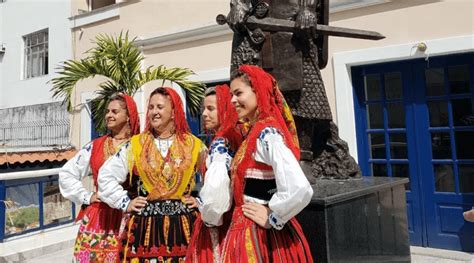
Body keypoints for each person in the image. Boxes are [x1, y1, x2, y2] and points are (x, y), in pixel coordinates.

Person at [98, 87, 206, 262]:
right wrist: (125, 202)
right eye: (151, 107)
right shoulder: (135, 145)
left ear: (173, 112)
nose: (154, 112)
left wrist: (201, 202)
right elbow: (106, 175)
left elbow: (215, 180)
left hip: (184, 227)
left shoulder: (194, 145)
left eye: (160, 107)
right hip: (144, 227)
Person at [220, 65, 313, 262]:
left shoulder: (267, 134)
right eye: (231, 95)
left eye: (238, 93)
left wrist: (273, 216)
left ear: (258, 91)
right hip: (246, 228)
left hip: (259, 236)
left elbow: (300, 188)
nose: (233, 101)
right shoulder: (254, 132)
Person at [59, 93, 140, 263]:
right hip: (98, 217)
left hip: (128, 215)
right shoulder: (95, 146)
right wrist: (86, 196)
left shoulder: (139, 146)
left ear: (128, 116)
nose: (109, 115)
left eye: (115, 112)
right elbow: (67, 174)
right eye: (107, 111)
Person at [186, 85, 241, 262]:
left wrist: (207, 214)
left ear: (225, 110)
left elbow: (216, 190)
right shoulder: (235, 137)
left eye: (210, 109)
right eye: (204, 109)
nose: (204, 114)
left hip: (219, 225)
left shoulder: (220, 144)